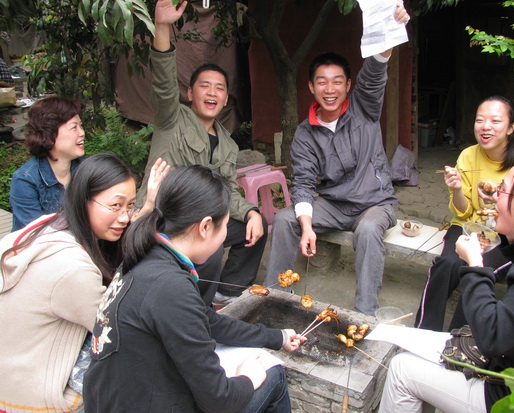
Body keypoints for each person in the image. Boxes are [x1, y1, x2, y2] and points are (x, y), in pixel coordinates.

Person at [84, 164, 305, 413]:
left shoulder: (147, 254)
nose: (226, 234)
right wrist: (248, 377)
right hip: (141, 403)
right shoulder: (169, 286)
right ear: (205, 226)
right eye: (225, 225)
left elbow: (206, 320)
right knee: (272, 375)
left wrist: (277, 337)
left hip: (118, 396)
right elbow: (219, 400)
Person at [264, 2, 410, 316]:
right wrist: (306, 226)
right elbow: (303, 184)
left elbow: (376, 70)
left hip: (374, 203)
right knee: (285, 218)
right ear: (311, 86)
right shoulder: (305, 133)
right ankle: (275, 298)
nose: (329, 89)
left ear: (348, 85)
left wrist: (390, 26)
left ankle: (364, 314)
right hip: (333, 206)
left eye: (337, 81)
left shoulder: (364, 107)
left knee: (368, 230)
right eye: (322, 81)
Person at [379, 155, 514, 413]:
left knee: (402, 368)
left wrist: (474, 264)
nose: (494, 197)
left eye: (503, 190)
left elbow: (493, 336)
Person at [0, 153, 167, 413]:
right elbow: (119, 330)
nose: (125, 217)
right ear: (83, 200)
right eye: (115, 206)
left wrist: (146, 207)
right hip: (32, 398)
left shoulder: (51, 224)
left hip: (12, 371)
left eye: (130, 206)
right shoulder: (72, 268)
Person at [136, 0, 267, 308]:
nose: (212, 92)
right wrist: (162, 26)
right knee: (207, 243)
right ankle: (194, 308)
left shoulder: (228, 144)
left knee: (254, 227)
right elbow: (163, 81)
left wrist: (252, 212)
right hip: (164, 217)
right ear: (190, 93)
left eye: (219, 88)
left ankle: (225, 296)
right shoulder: (172, 119)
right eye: (204, 86)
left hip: (202, 221)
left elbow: (228, 190)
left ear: (225, 99)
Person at [415, 96, 514, 331]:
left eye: (495, 121)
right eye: (480, 120)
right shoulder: (468, 155)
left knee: (480, 270)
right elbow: (464, 212)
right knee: (446, 264)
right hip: (468, 226)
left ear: (511, 128)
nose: (485, 127)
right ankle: (423, 332)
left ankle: (460, 340)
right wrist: (457, 188)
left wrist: (499, 203)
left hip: (507, 236)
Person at [9, 96, 85, 231]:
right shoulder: (25, 180)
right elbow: (36, 233)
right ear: (49, 134)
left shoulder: (87, 168)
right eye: (74, 127)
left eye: (81, 126)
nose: (82, 133)